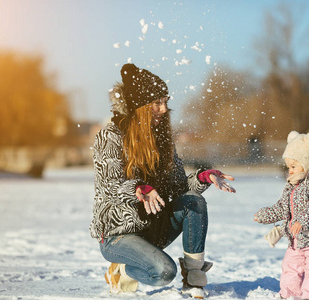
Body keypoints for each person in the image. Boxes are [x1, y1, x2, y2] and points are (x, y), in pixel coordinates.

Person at [89, 63, 236, 299]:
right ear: (140, 106)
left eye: (166, 101)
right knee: (164, 272)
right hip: (119, 234)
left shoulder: (162, 140)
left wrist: (203, 176)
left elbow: (180, 188)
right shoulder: (111, 135)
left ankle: (193, 277)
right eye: (157, 103)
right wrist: (140, 188)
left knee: (193, 201)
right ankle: (123, 270)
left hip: (153, 227)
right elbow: (110, 187)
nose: (164, 108)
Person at [253, 131, 309, 300]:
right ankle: (289, 295)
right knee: (290, 266)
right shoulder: (292, 185)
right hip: (297, 238)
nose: (290, 171)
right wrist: (265, 215)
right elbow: (282, 207)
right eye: (288, 167)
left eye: (294, 166)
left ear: (307, 163)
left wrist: (302, 220)